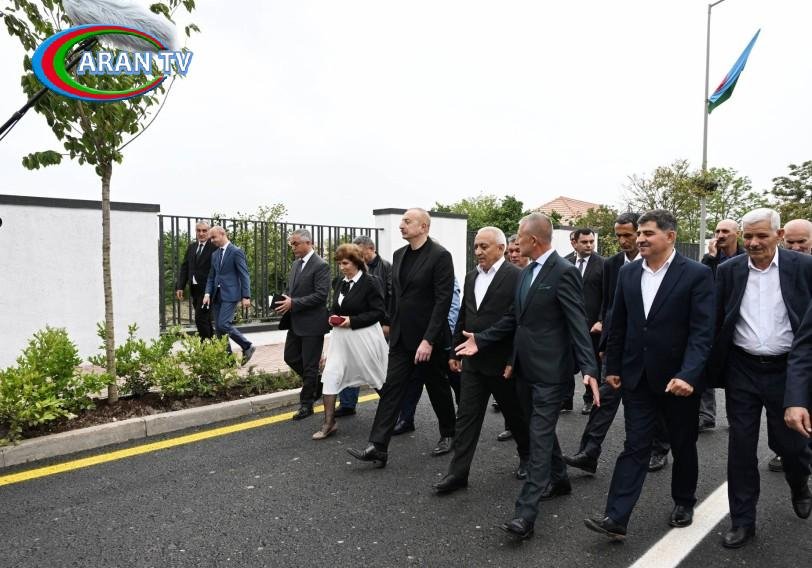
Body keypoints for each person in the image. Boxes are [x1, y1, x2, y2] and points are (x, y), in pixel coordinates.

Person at [456, 212, 599, 540]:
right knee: (540, 429)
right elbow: (514, 320)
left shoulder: (563, 272)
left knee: (538, 436)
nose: (515, 242)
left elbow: (577, 323)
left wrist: (589, 369)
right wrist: (482, 340)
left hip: (550, 372)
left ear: (533, 240)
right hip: (523, 369)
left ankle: (525, 514)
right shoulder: (526, 273)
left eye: (519, 237)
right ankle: (560, 479)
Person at [585, 209, 714, 542]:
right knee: (635, 445)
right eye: (639, 233)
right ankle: (616, 516)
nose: (640, 239)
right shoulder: (628, 273)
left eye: (647, 233)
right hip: (637, 377)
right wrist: (613, 367)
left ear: (670, 236)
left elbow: (702, 332)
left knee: (682, 444)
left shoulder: (696, 274)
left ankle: (684, 501)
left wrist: (689, 374)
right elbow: (619, 322)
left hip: (678, 382)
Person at [707, 208, 812, 549]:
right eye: (749, 236)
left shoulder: (804, 268)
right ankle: (743, 520)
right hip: (743, 369)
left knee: (792, 445)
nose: (753, 243)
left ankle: (799, 482)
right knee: (741, 447)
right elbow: (716, 321)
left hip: (788, 369)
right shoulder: (729, 270)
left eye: (762, 236)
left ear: (779, 236)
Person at [347, 208, 456, 466]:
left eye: (407, 221)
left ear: (424, 227)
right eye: (401, 221)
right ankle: (378, 446)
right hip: (401, 338)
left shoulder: (440, 256)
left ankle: (449, 434)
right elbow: (395, 296)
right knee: (392, 389)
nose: (401, 225)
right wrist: (390, 325)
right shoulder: (399, 255)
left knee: (437, 387)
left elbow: (443, 301)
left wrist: (429, 340)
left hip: (428, 339)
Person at [565, 212, 670, 475]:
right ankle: (589, 452)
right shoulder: (612, 265)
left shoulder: (657, 263)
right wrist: (604, 343)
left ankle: (659, 449)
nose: (623, 241)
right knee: (603, 398)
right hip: (619, 345)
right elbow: (609, 304)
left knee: (654, 401)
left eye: (628, 235)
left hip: (650, 348)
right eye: (618, 236)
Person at [433, 227, 530, 494]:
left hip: (502, 363)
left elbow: (517, 320)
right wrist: (455, 351)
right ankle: (457, 474)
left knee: (516, 415)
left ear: (501, 248)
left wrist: (512, 359)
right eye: (476, 246)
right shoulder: (471, 276)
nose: (478, 251)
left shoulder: (517, 276)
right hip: (472, 363)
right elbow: (465, 315)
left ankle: (527, 456)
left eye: (484, 246)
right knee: (466, 418)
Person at [313, 244, 388, 440]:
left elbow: (379, 312)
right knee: (330, 374)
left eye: (345, 263)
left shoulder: (371, 282)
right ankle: (329, 423)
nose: (341, 267)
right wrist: (332, 318)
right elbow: (336, 307)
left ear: (357, 262)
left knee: (377, 377)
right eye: (339, 263)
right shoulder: (339, 282)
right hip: (340, 339)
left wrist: (352, 321)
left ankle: (394, 414)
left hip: (363, 337)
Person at [390, 276, 460, 444]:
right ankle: (406, 419)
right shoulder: (407, 271)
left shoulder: (441, 269)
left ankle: (454, 425)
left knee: (448, 382)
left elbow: (451, 305)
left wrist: (445, 336)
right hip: (414, 340)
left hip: (440, 340)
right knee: (413, 381)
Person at [769, 218, 812, 472]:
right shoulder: (779, 268)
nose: (795, 247)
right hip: (794, 354)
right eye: (790, 242)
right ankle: (786, 451)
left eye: (801, 242)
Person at [275, 228, 331, 421]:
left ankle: (306, 404)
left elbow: (321, 295)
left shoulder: (321, 265)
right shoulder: (295, 265)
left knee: (309, 365)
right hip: (295, 322)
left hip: (313, 324)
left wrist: (294, 303)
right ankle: (317, 383)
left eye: (295, 243)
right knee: (290, 357)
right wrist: (283, 300)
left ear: (308, 243)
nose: (293, 247)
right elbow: (291, 290)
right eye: (291, 244)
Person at [333, 235, 393, 418]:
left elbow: (389, 299)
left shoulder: (385, 268)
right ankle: (347, 404)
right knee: (347, 365)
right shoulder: (342, 280)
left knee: (372, 368)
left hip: (371, 329)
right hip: (348, 333)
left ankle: (393, 406)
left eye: (358, 251)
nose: (342, 267)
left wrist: (387, 322)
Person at [698, 219, 745, 433]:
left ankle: (737, 417)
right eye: (717, 231)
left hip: (736, 320)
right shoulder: (711, 259)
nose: (720, 235)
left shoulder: (746, 256)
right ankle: (706, 414)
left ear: (738, 233)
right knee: (706, 363)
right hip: (712, 319)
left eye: (725, 231)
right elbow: (702, 281)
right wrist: (710, 257)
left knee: (734, 371)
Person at [494, 233, 529, 441]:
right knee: (509, 389)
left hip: (527, 343)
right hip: (506, 340)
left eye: (517, 250)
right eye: (510, 252)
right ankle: (512, 425)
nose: (513, 255)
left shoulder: (533, 275)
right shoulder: (505, 276)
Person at [202, 226, 255, 364]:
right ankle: (228, 360)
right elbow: (211, 276)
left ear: (222, 234)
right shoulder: (215, 254)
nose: (212, 240)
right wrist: (207, 293)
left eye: (214, 237)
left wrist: (246, 296)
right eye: (210, 238)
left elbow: (244, 275)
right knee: (219, 329)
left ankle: (247, 345)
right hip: (216, 295)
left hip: (231, 294)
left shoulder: (236, 252)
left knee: (223, 324)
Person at [566, 228, 604, 415]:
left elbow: (608, 296)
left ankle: (589, 398)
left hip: (592, 326)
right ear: (574, 243)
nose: (589, 245)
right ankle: (565, 400)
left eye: (591, 241)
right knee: (565, 361)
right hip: (568, 323)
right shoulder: (565, 263)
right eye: (584, 242)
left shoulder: (603, 264)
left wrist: (601, 320)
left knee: (591, 363)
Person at [175, 221, 216, 339]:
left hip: (207, 290)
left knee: (200, 318)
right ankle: (214, 345)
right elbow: (185, 267)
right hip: (195, 290)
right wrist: (180, 286)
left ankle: (204, 345)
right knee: (205, 320)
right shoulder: (192, 247)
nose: (201, 233)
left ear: (209, 232)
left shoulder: (214, 247)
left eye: (204, 231)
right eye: (198, 230)